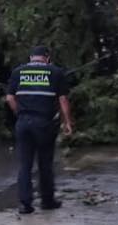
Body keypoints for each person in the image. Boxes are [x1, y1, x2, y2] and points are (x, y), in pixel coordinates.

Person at [5, 46, 75, 214]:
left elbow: (9, 98)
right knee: (45, 163)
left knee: (25, 165)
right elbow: (63, 101)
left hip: (23, 123)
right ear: (47, 58)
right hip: (44, 124)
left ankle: (25, 204)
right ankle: (47, 201)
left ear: (31, 58)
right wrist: (67, 123)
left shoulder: (18, 72)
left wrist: (19, 113)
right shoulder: (55, 72)